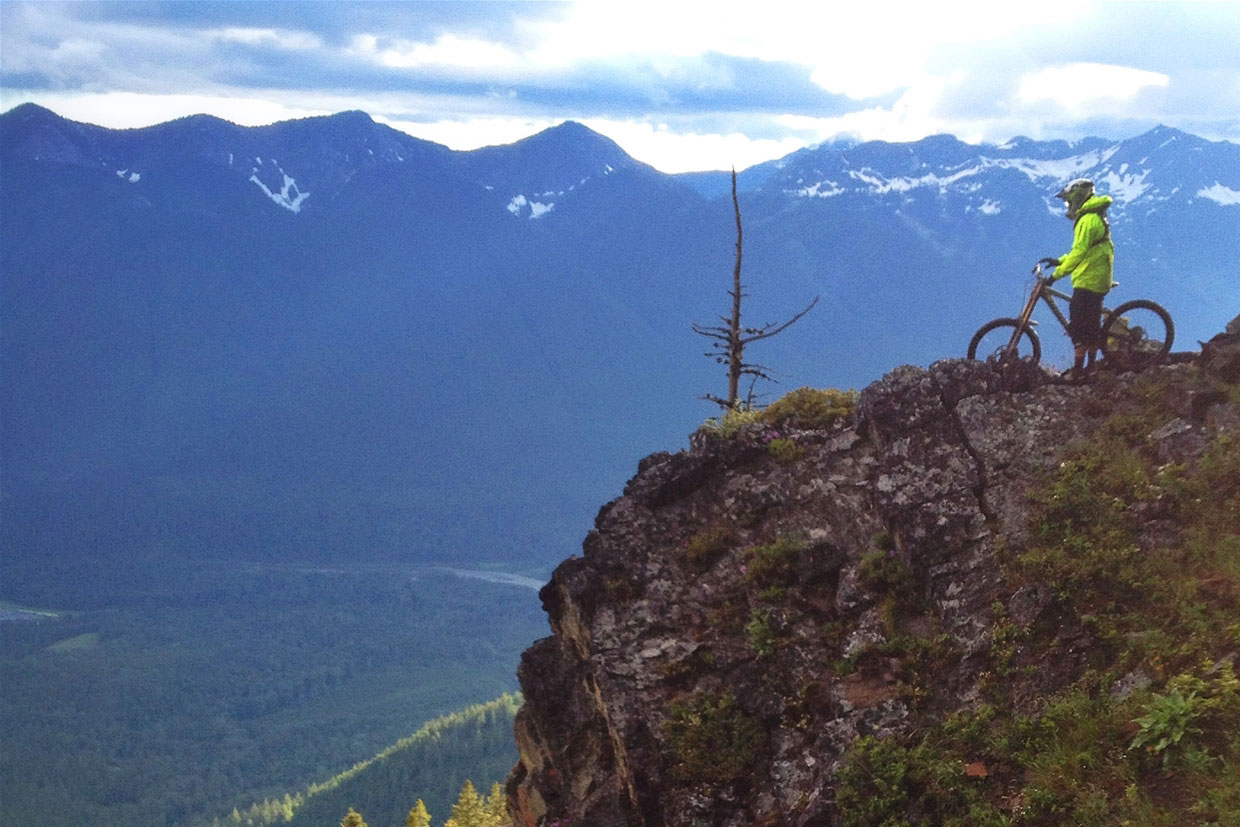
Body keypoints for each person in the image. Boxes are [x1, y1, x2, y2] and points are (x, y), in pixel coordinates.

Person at [1044, 178, 1114, 380]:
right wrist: (1059, 261)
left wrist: (1055, 276)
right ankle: (1090, 366)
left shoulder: (1087, 220)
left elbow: (1079, 253)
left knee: (1078, 323)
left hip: (1090, 278)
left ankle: (1080, 370)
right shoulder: (1092, 216)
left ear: (1078, 199)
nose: (1068, 206)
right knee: (1090, 322)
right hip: (1097, 275)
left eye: (1068, 201)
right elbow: (1083, 251)